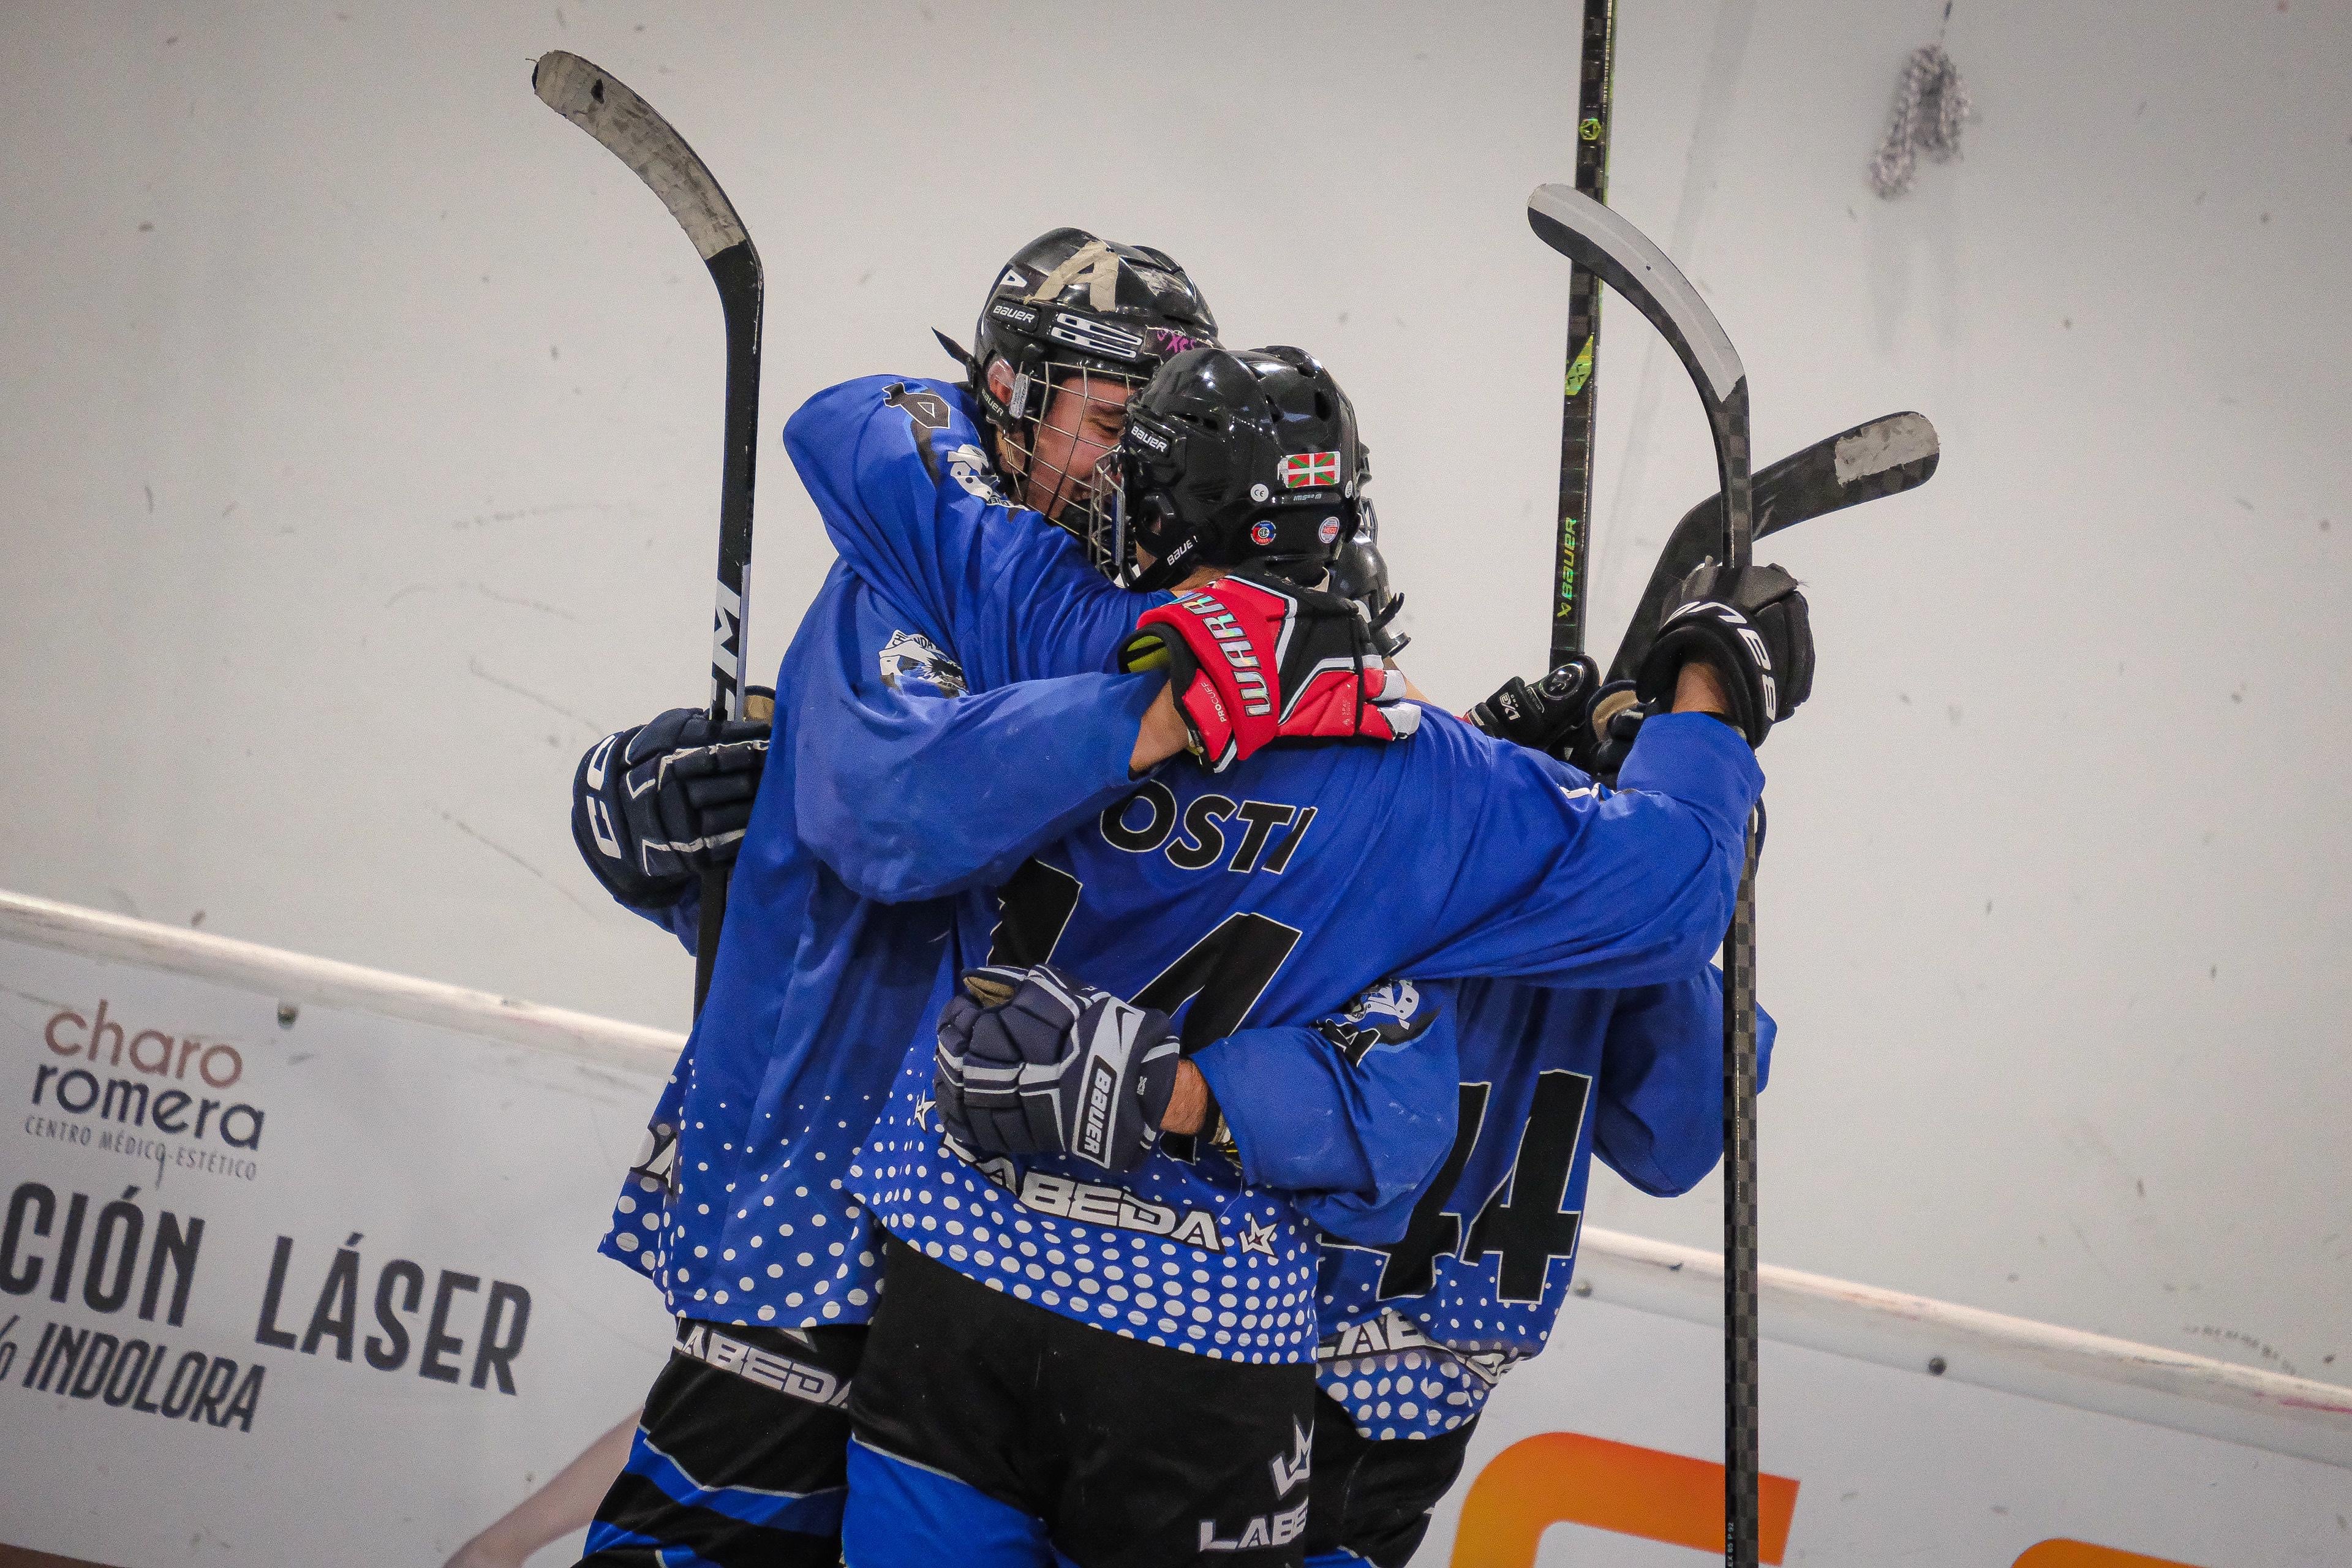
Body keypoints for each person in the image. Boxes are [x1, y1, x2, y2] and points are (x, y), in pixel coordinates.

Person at [827, 343, 1812, 1566]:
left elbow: (846, 443)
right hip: (1201, 1332)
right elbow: (1675, 888)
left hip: (956, 1270)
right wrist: (1708, 703)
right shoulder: (1439, 790)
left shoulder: (1050, 641)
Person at [560, 230, 1420, 1568]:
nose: (1136, 463)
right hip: (827, 1238)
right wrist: (700, 862)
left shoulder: (1167, 604)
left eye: (1161, 429)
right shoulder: (914, 574)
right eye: (1113, 421)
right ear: (1011, 405)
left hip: (1013, 1287)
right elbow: (894, 832)